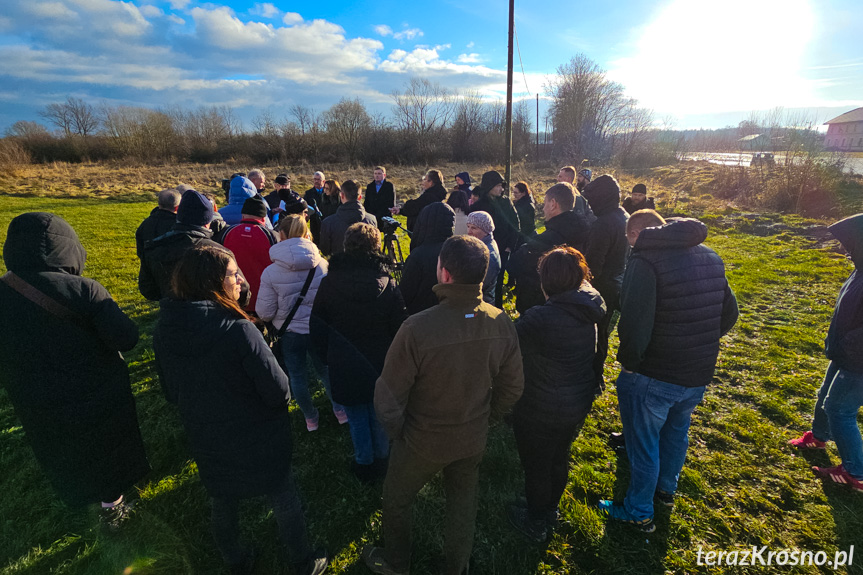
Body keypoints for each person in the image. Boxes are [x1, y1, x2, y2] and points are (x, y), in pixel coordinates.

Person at [153, 245, 328, 575]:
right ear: (214, 282)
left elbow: (170, 392)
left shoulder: (165, 331)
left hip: (206, 433)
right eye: (234, 274)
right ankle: (302, 561)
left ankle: (236, 560)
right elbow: (279, 391)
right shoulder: (238, 330)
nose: (240, 280)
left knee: (223, 497)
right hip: (258, 433)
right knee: (282, 494)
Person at [364, 235, 524, 575]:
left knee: (397, 499)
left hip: (421, 440)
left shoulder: (416, 328)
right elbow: (513, 386)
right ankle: (457, 567)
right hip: (472, 437)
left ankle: (396, 562)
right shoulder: (501, 321)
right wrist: (487, 417)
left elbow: (388, 396)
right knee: (463, 502)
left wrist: (399, 434)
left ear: (445, 274)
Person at [0, 212, 150, 527]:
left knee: (58, 443)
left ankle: (77, 493)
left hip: (33, 392)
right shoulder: (84, 290)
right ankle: (113, 506)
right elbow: (127, 337)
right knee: (103, 444)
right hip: (92, 387)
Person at [599, 210, 738, 532]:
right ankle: (665, 490)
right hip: (697, 372)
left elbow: (634, 325)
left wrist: (632, 367)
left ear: (638, 234)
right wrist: (697, 340)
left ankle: (638, 511)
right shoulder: (711, 257)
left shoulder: (645, 262)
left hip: (655, 373)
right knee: (676, 432)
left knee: (644, 442)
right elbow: (730, 314)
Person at [507, 247, 605, 542]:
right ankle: (550, 508)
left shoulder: (539, 318)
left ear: (545, 281)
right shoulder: (590, 307)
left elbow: (508, 350)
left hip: (540, 406)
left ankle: (536, 522)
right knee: (558, 457)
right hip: (576, 400)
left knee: (536, 465)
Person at [311, 223, 408, 482]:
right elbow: (400, 326)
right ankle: (382, 459)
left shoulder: (329, 283)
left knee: (355, 414)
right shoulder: (388, 284)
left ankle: (364, 462)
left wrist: (324, 356)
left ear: (346, 246)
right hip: (380, 361)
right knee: (378, 412)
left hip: (344, 361)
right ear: (376, 248)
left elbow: (317, 324)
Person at [788, 213, 863, 493]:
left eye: (849, 243)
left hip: (858, 361)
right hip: (845, 352)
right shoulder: (860, 267)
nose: (845, 249)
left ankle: (856, 471)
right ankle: (818, 438)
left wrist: (849, 347)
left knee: (840, 409)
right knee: (824, 395)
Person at [256, 214, 346, 431]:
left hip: (289, 333)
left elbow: (264, 312)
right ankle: (340, 411)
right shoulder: (323, 265)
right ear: (307, 234)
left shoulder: (270, 272)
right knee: (325, 371)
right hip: (318, 329)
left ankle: (311, 418)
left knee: (297, 375)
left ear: (282, 235)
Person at [140, 189, 250, 304]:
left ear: (179, 215)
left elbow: (148, 289)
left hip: (171, 314)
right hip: (211, 316)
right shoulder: (219, 252)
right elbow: (243, 292)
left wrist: (171, 297)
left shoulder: (153, 247)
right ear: (208, 221)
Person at [507, 183, 589, 314]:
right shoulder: (585, 232)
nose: (543, 209)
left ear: (553, 204)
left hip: (540, 306)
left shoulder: (545, 241)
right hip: (574, 302)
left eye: (545, 203)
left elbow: (514, 265)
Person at [582, 174, 629, 389]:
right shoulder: (624, 217)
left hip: (602, 287)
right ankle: (596, 374)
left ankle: (593, 377)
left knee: (596, 334)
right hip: (619, 285)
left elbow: (593, 265)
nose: (590, 206)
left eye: (592, 201)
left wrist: (581, 281)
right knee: (603, 333)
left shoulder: (603, 224)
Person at [217, 196, 278, 313]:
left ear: (243, 215)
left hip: (233, 298)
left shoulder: (227, 232)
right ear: (263, 218)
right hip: (263, 299)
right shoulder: (272, 236)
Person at [399, 202, 455, 315]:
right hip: (451, 316)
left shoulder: (419, 255)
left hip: (421, 316)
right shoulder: (457, 251)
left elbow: (405, 292)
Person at [319, 180, 377, 257]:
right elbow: (375, 248)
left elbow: (325, 250)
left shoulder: (328, 223)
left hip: (339, 266)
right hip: (365, 267)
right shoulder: (371, 220)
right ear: (360, 197)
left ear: (341, 195)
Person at [465, 211, 501, 305]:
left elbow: (478, 285)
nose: (469, 232)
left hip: (481, 304)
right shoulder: (480, 245)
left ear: (485, 230)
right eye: (468, 226)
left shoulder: (489, 255)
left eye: (474, 228)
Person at [136, 188, 180, 259]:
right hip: (174, 267)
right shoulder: (179, 226)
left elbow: (140, 251)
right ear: (177, 208)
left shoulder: (146, 223)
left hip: (149, 266)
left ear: (159, 203)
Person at [304, 171, 326, 243]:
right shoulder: (308, 193)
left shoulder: (327, 192)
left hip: (326, 220)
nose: (316, 181)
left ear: (323, 181)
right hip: (314, 223)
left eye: (318, 179)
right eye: (315, 179)